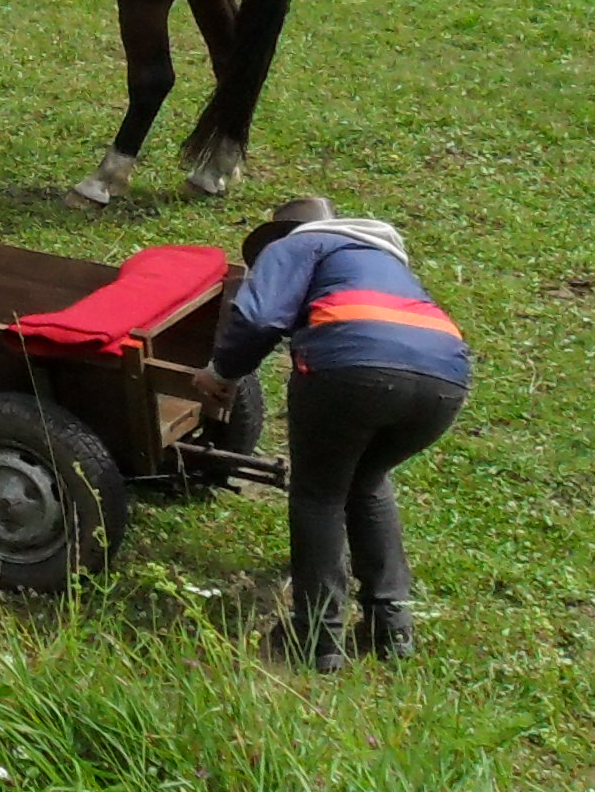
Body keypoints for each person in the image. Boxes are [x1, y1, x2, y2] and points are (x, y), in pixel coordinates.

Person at [194, 196, 471, 671]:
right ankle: (392, 627)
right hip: (444, 379)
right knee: (367, 481)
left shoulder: (297, 244)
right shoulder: (379, 256)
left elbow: (259, 317)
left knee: (318, 493)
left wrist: (222, 372)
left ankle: (317, 639)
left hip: (351, 368)